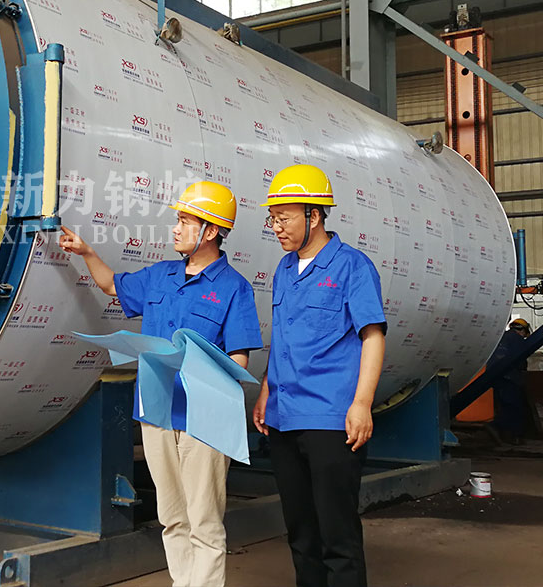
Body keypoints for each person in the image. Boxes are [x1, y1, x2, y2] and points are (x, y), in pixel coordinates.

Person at [60, 180, 262, 587]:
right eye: (178, 219)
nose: (176, 228)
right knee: (172, 516)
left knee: (204, 518)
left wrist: (202, 373)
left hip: (204, 418)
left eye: (185, 221)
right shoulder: (159, 276)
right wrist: (87, 253)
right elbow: (112, 285)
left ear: (210, 231)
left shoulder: (234, 288)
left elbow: (239, 360)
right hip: (156, 409)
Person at [251, 164, 386, 587]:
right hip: (284, 417)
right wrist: (266, 392)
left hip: (331, 419)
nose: (276, 227)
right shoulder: (284, 269)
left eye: (284, 218)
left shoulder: (352, 267)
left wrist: (362, 403)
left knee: (337, 536)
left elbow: (372, 336)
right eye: (272, 218)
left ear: (314, 215)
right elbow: (283, 338)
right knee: (301, 534)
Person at [487, 318, 535, 444]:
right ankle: (499, 427)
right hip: (509, 377)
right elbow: (521, 362)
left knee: (504, 406)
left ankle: (506, 434)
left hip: (494, 377)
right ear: (522, 330)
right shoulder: (517, 339)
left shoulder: (501, 337)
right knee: (514, 407)